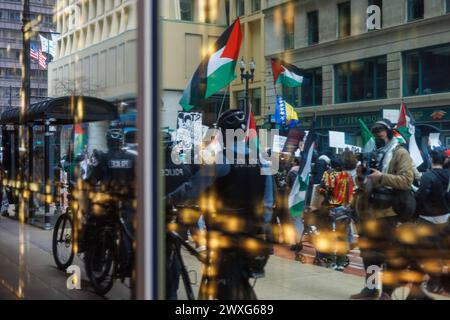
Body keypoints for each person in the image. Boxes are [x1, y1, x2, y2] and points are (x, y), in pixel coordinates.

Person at [166, 109, 269, 300]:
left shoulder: (222, 160)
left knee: (217, 274)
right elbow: (269, 200)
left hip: (224, 230)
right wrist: (264, 224)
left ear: (223, 133)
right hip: (252, 230)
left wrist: (168, 200)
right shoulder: (262, 160)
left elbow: (192, 188)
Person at [351, 119, 415, 300]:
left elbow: (406, 181)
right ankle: (370, 290)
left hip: (389, 214)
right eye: (375, 132)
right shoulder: (371, 154)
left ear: (389, 132)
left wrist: (381, 177)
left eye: (381, 132)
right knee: (369, 254)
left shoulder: (400, 153)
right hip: (368, 212)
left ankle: (387, 292)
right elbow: (363, 184)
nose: (377, 135)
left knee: (389, 255)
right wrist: (361, 176)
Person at [88, 129, 137, 274]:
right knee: (128, 230)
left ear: (108, 142)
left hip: (107, 202)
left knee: (95, 226)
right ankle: (128, 263)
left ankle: (96, 262)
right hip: (128, 203)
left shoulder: (103, 157)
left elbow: (92, 178)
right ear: (121, 142)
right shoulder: (133, 158)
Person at [409, 149, 450, 299]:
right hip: (445, 222)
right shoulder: (448, 175)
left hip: (427, 221)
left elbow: (420, 197)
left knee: (416, 257)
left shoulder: (428, 175)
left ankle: (430, 283)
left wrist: (414, 214)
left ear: (431, 160)